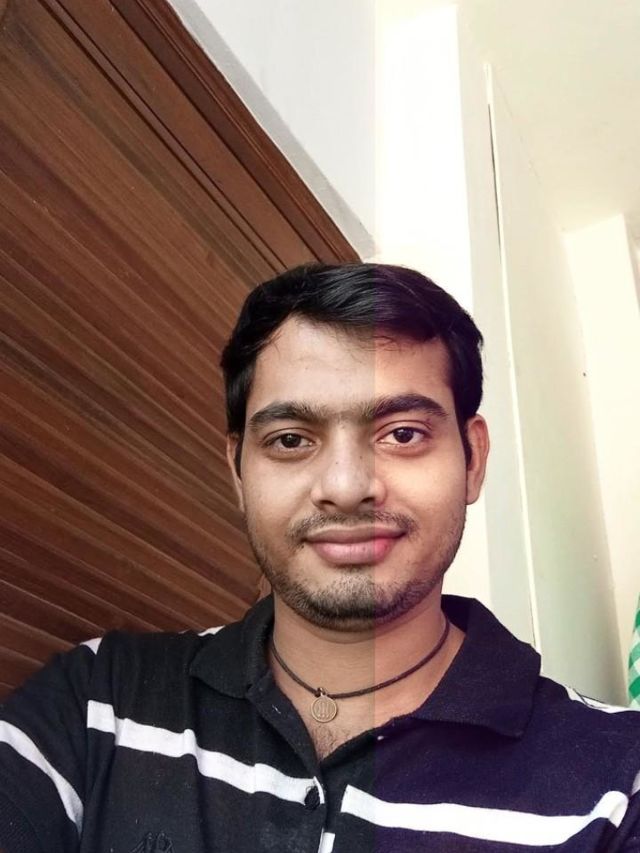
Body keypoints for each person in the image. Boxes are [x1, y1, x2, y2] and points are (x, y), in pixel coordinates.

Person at [1, 262, 639, 853]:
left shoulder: (619, 781)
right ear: (237, 471)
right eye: (290, 440)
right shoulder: (97, 702)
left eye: (402, 434)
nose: (345, 485)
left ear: (473, 460)